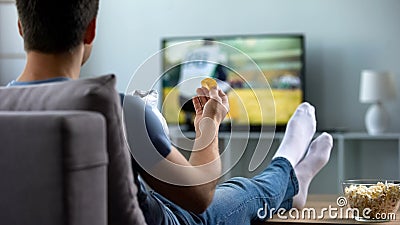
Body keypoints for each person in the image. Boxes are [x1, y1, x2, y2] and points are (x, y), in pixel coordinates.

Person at [8, 0, 333, 225]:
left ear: (21, 28)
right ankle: (290, 167)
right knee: (239, 193)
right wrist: (208, 125)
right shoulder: (117, 109)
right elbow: (200, 196)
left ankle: (292, 178)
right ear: (91, 30)